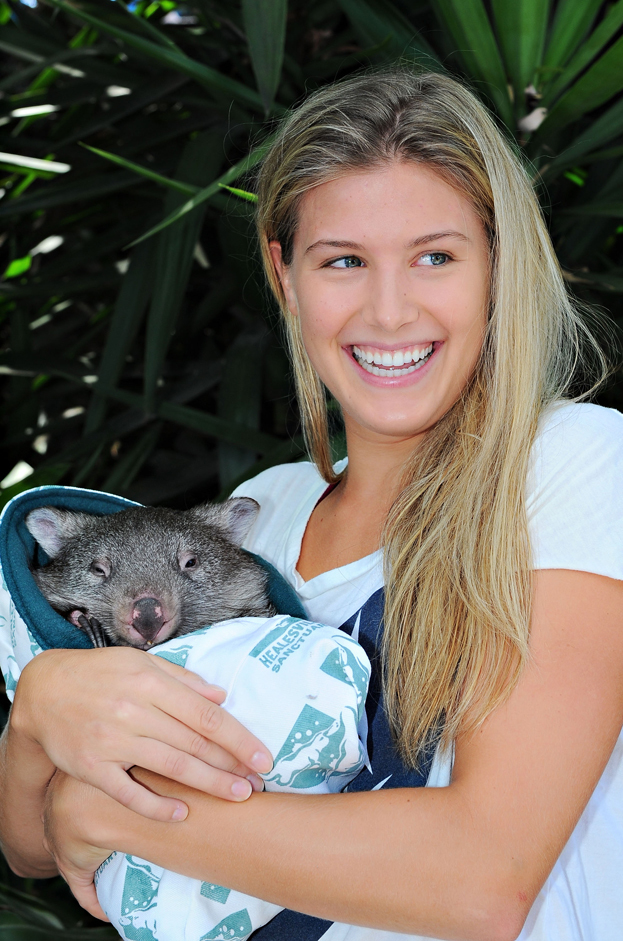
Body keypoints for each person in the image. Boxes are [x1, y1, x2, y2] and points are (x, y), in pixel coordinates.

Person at [1, 68, 623, 941]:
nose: (391, 309)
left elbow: (482, 878)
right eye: (342, 261)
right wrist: (38, 724)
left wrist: (112, 813)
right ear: (282, 272)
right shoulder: (252, 518)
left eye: (435, 256)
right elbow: (34, 850)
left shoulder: (571, 460)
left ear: (500, 266)